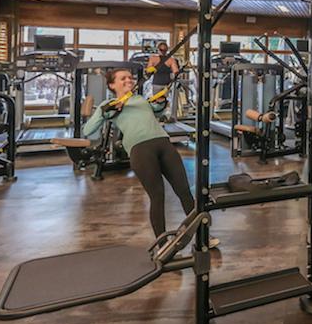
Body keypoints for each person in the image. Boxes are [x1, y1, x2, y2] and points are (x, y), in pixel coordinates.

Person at [83, 68, 216, 245]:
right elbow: (88, 130)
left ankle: (204, 236)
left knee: (184, 191)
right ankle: (162, 244)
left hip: (163, 144)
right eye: (123, 78)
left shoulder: (139, 99)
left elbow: (158, 112)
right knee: (157, 196)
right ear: (112, 85)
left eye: (130, 77)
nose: (129, 80)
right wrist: (105, 111)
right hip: (140, 150)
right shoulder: (108, 104)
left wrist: (161, 102)